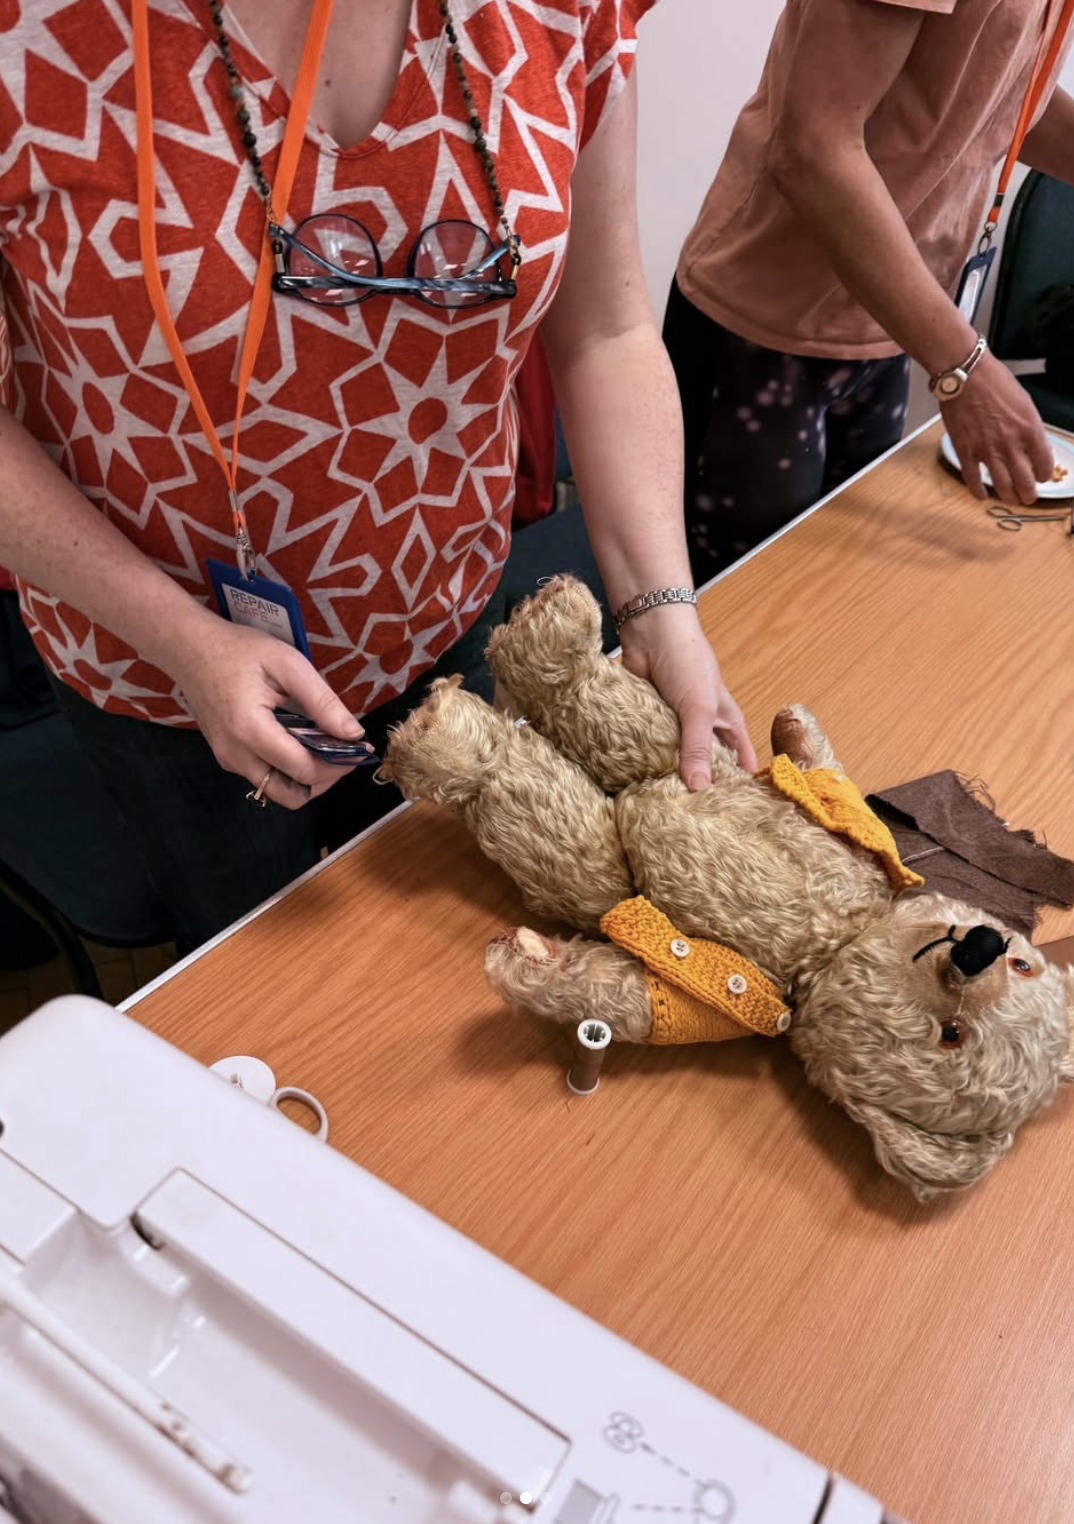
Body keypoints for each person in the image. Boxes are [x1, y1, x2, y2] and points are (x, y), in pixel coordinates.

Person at [0, 0, 754, 954]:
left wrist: (662, 605)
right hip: (165, 669)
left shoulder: (563, 13)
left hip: (445, 614)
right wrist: (181, 638)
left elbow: (605, 325)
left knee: (448, 956)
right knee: (274, 996)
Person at [664, 0, 1074, 580]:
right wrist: (964, 366)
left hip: (886, 330)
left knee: (835, 606)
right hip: (763, 337)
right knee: (732, 625)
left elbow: (998, 99)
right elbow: (816, 148)